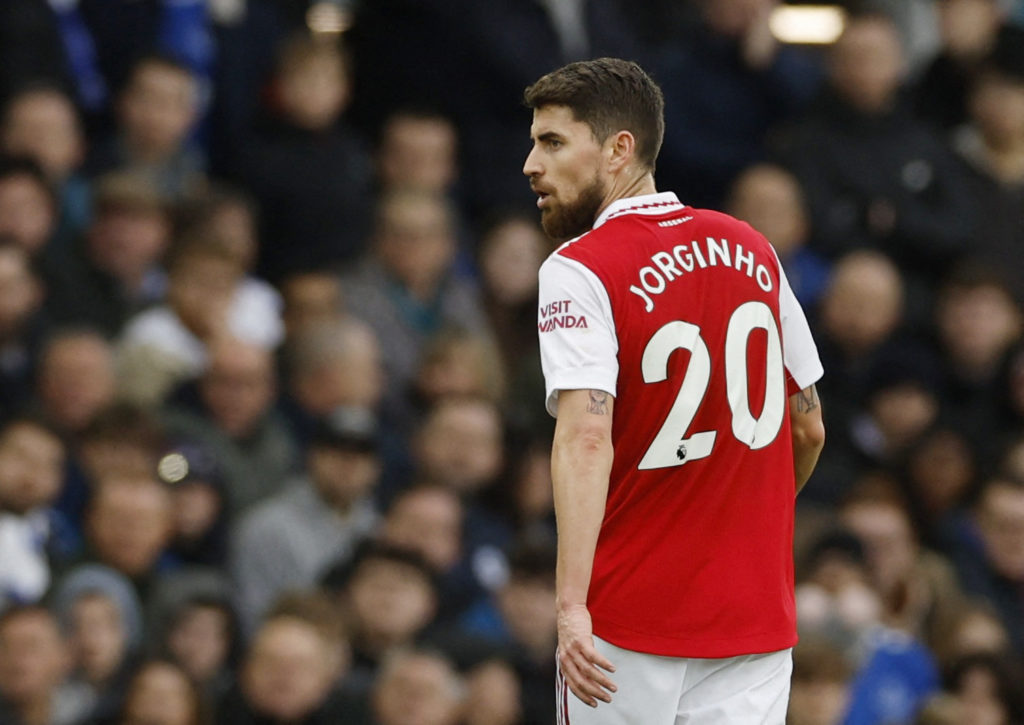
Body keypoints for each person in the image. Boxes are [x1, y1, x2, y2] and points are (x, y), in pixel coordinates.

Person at [524, 58, 825, 721]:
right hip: (753, 619)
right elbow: (808, 426)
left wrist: (571, 605)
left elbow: (585, 437)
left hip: (626, 620)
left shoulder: (580, 268)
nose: (531, 165)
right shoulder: (753, 248)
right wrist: (734, 519)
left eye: (552, 142)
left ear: (618, 149)